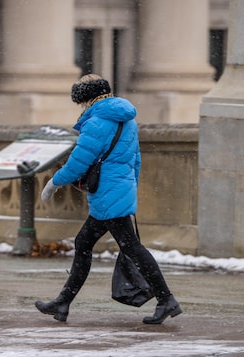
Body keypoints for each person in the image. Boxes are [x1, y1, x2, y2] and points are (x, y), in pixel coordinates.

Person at [36, 74, 182, 324]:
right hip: (118, 189)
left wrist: (54, 182)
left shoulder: (96, 122)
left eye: (81, 102)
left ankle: (166, 299)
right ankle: (62, 303)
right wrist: (129, 187)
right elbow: (135, 160)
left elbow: (78, 162)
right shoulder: (128, 120)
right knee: (86, 242)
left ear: (87, 98)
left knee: (131, 247)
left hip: (107, 193)